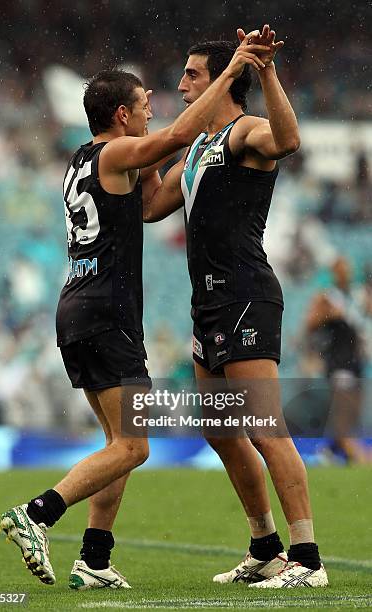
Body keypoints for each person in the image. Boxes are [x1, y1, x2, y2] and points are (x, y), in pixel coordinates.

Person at [0, 37, 272, 590]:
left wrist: (170, 148)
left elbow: (150, 197)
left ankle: (94, 559)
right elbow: (174, 136)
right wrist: (229, 76)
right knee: (134, 445)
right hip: (106, 311)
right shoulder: (116, 152)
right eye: (144, 105)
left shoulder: (83, 160)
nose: (155, 109)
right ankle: (37, 514)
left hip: (77, 306)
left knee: (117, 443)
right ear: (121, 116)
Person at [144, 25, 328, 588]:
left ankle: (308, 558)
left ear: (225, 81)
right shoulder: (198, 147)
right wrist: (146, 142)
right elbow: (152, 204)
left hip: (247, 295)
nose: (180, 83)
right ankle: (265, 546)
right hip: (210, 304)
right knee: (222, 429)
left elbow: (289, 140)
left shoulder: (244, 131)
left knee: (265, 427)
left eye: (192, 74)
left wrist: (268, 71)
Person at [305, 256, 370, 463]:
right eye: (341, 269)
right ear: (334, 272)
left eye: (348, 268)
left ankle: (330, 451)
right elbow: (309, 323)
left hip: (356, 362)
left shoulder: (356, 295)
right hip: (339, 362)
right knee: (343, 411)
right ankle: (353, 453)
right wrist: (330, 315)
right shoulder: (328, 297)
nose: (346, 273)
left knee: (353, 412)